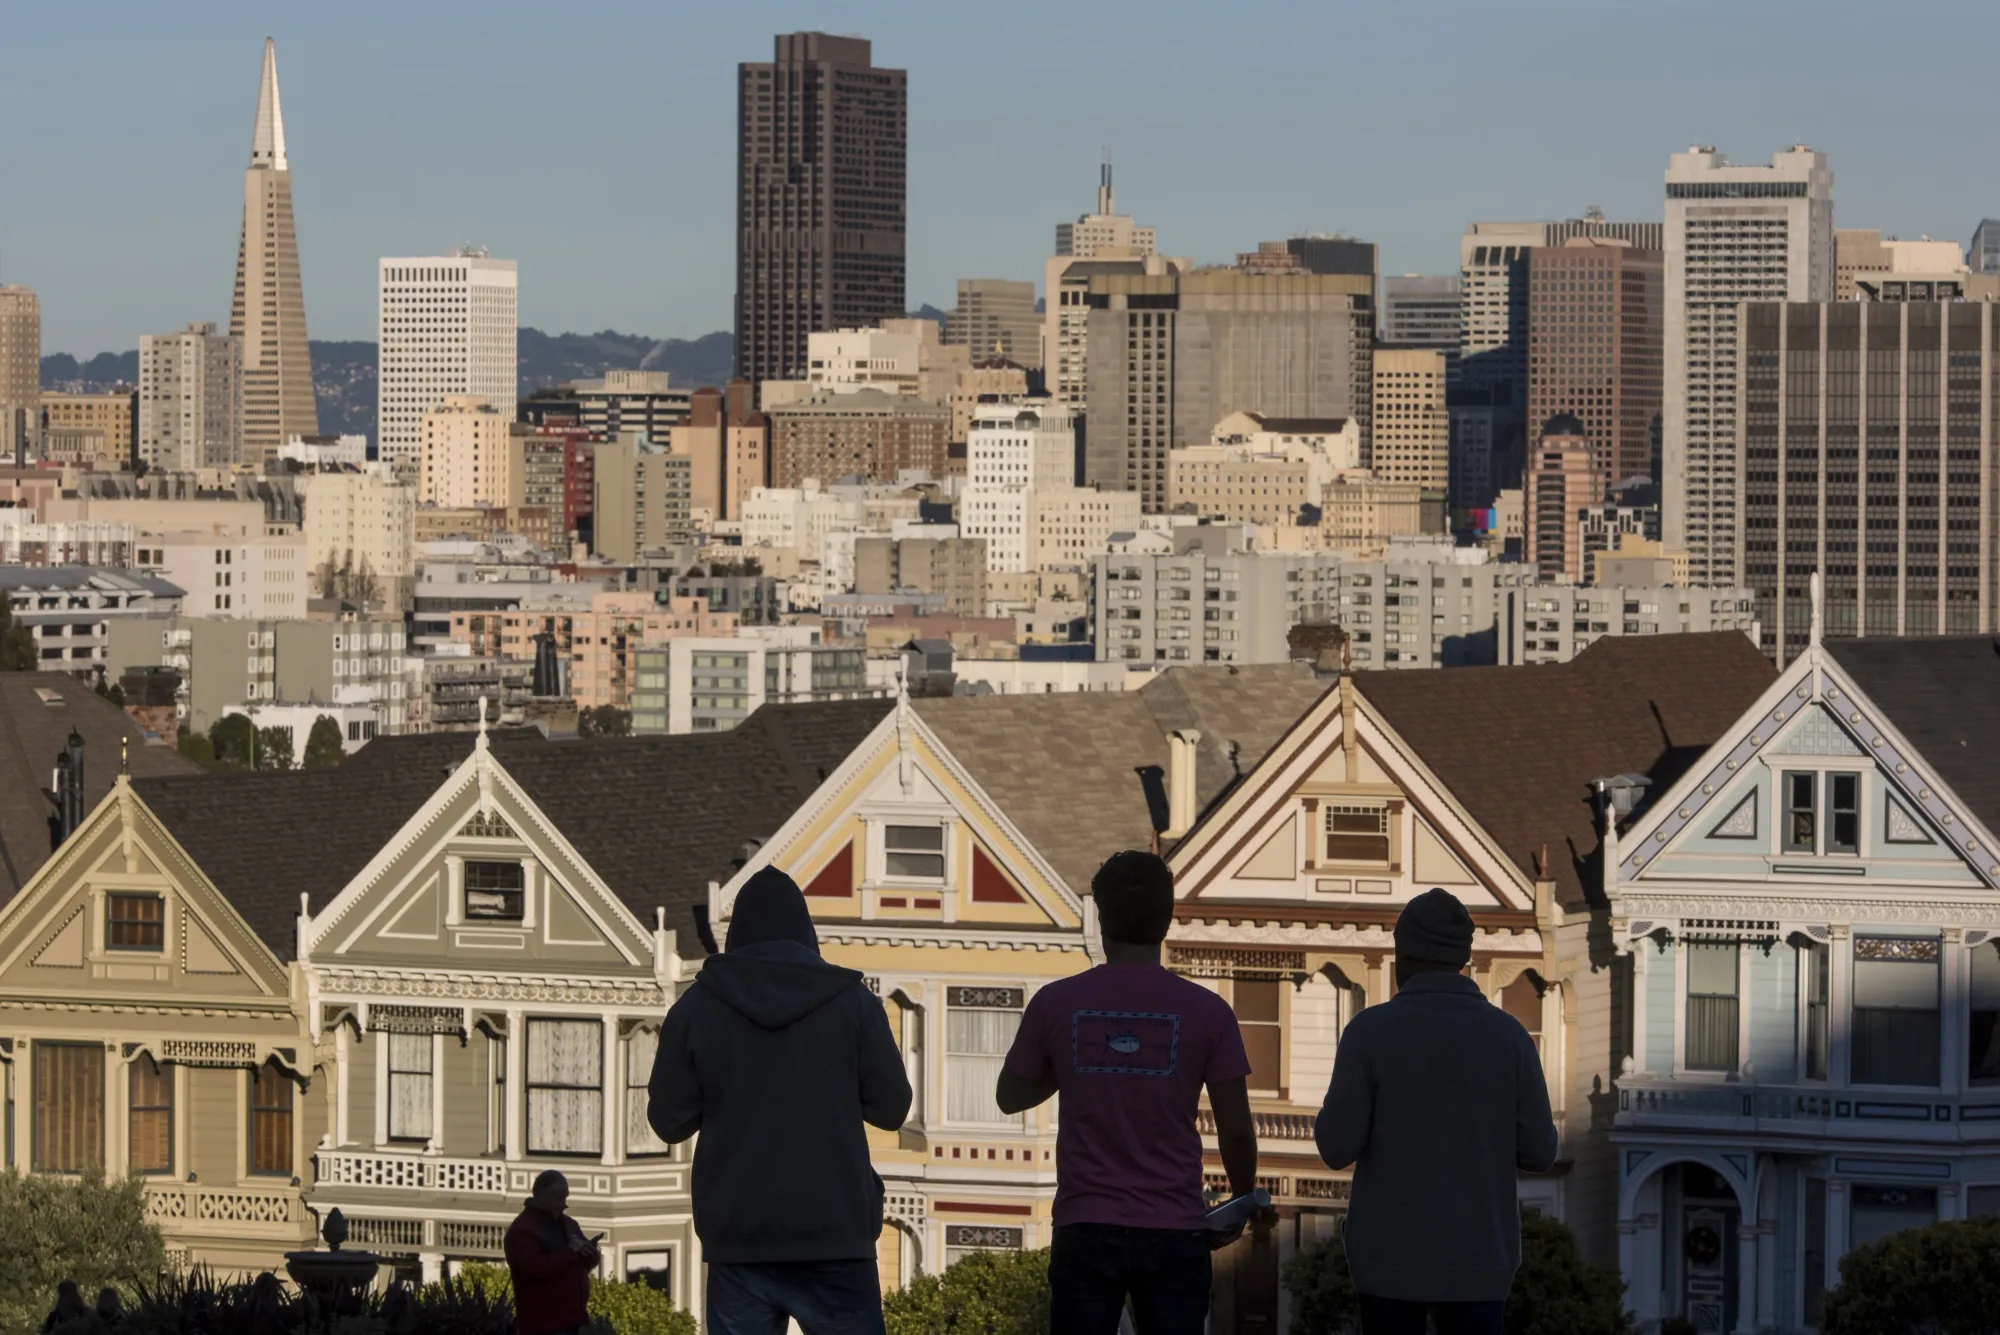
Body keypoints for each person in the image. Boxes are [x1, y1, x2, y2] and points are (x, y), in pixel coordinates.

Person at [996, 849, 1259, 1335]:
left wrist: (1077, 1061)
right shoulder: (1208, 1011)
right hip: (1175, 1228)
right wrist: (1241, 1200)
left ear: (1100, 918)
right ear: (1167, 918)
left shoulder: (1056, 1003)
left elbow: (1009, 1095)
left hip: (1085, 1224)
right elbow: (1237, 1131)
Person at [649, 866, 912, 1335]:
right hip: (835, 1233)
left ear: (736, 937)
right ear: (806, 933)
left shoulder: (694, 1009)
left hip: (738, 1238)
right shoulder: (853, 1003)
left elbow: (669, 1122)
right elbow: (892, 1110)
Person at [1314, 888, 1559, 1335]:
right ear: (1464, 958)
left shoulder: (1369, 1033)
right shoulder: (1510, 1038)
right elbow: (1541, 1151)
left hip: (1387, 1262)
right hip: (1480, 1263)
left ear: (1401, 956)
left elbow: (1334, 1147)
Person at [505, 1169, 599, 1335]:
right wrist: (571, 1253)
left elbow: (583, 1263)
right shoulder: (524, 1229)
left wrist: (590, 1254)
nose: (562, 1203)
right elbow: (532, 1267)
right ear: (540, 1194)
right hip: (543, 1325)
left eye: (564, 1197)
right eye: (557, 1197)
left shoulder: (568, 1224)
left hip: (572, 1321)